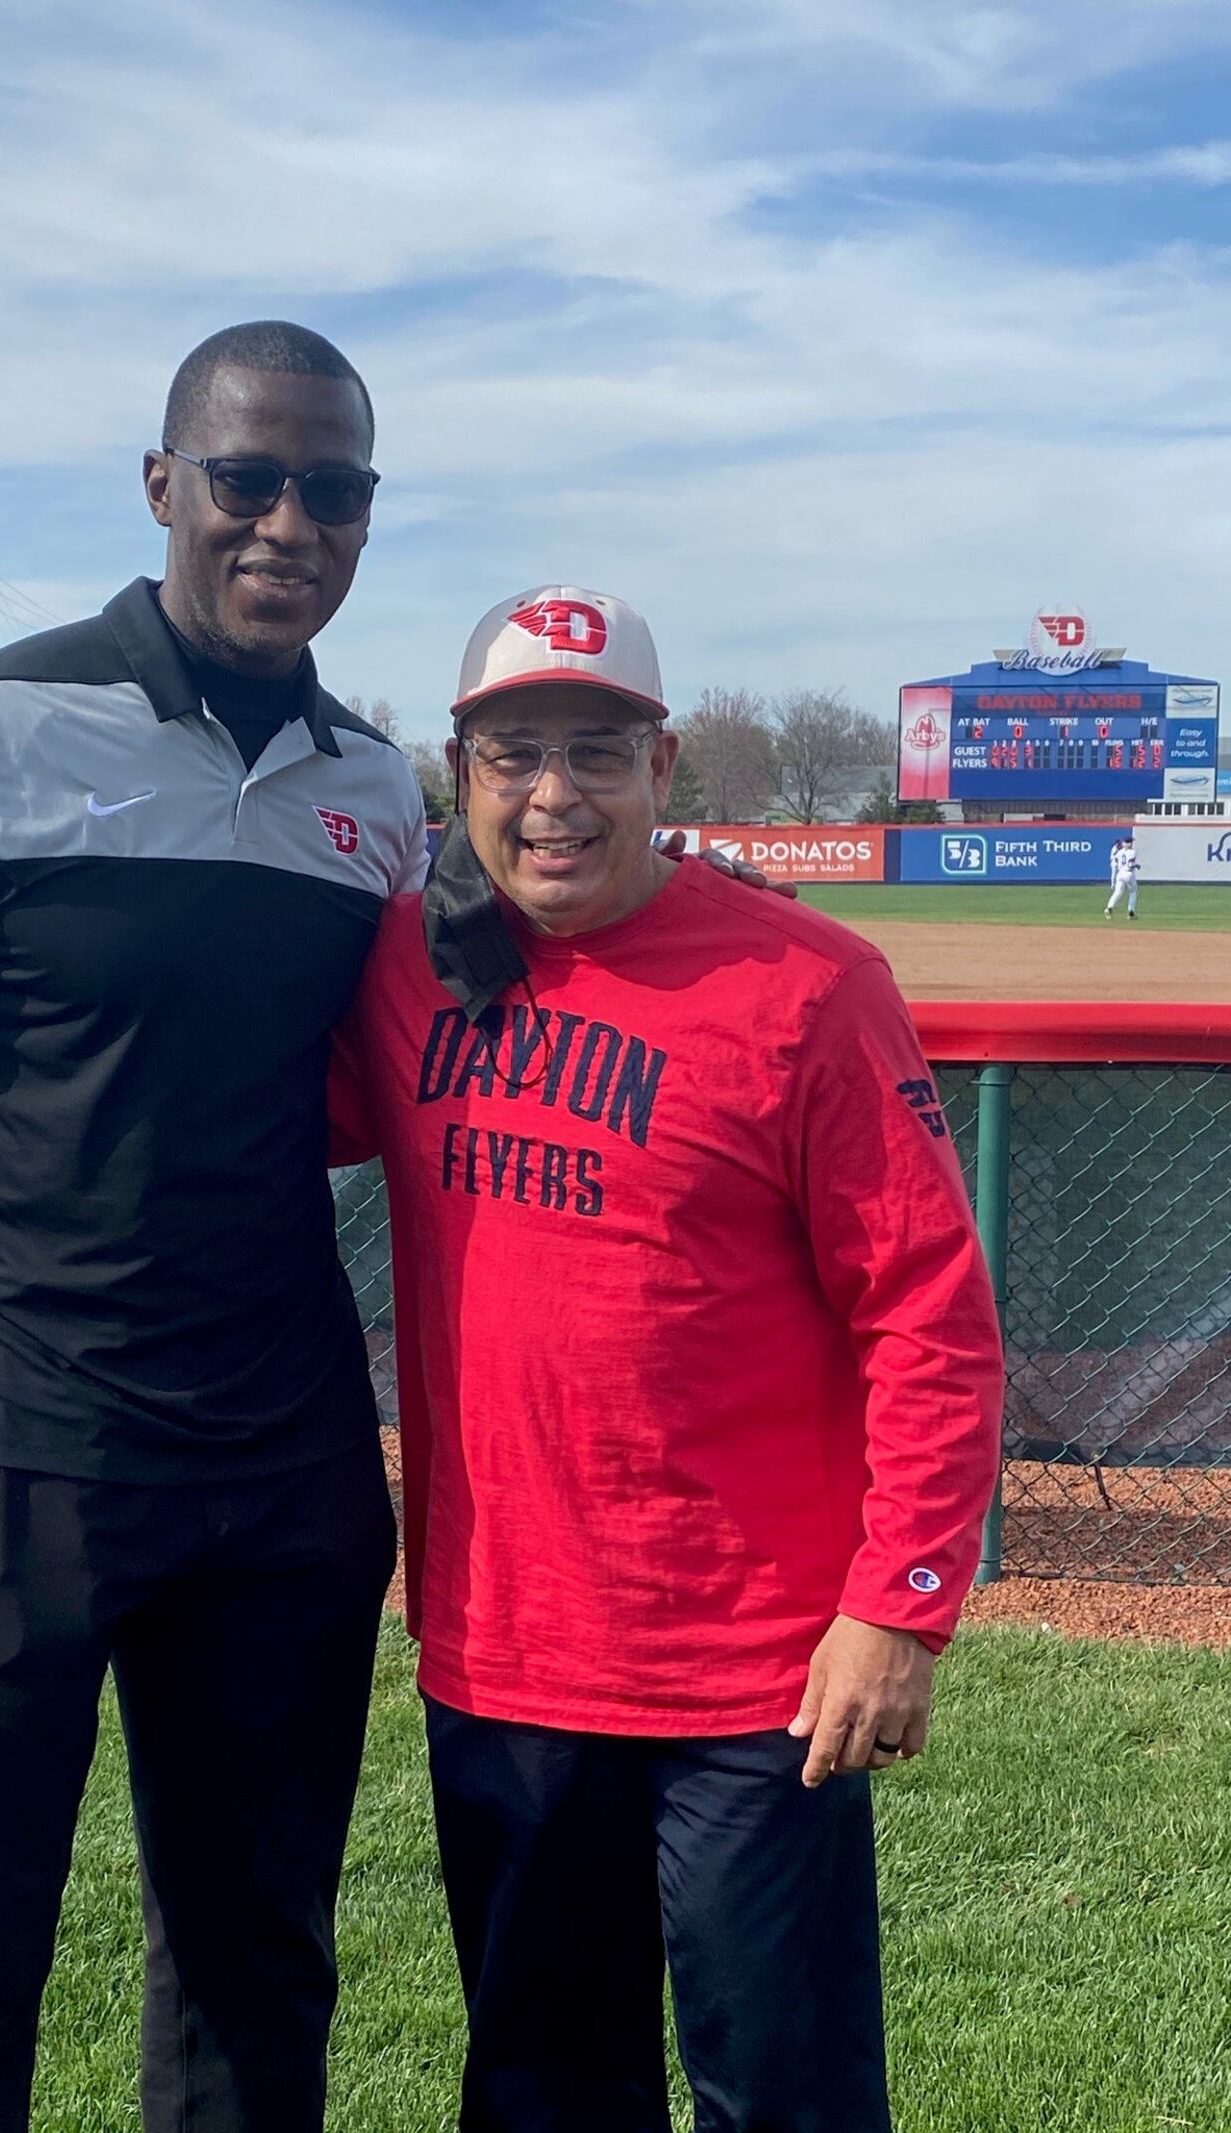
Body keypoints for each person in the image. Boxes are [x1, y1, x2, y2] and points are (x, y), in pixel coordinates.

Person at [0, 321, 430, 2133]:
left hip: (281, 1472)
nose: (291, 518)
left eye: (337, 488)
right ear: (165, 488)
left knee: (257, 1964)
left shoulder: (381, 793)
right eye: (250, 476)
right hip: (7, 1451)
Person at [330, 585, 1005, 2132]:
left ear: (663, 765)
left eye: (595, 751)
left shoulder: (810, 986)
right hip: (503, 1648)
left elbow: (931, 1315)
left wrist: (898, 1608)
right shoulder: (404, 965)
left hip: (757, 1675)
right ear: (459, 772)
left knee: (784, 2095)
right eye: (512, 755)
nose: (553, 794)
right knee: (543, 2091)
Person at [1106, 832, 1140, 919]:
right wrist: (1136, 865)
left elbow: (1116, 861)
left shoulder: (1120, 852)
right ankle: (1131, 912)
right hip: (1128, 873)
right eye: (1131, 842)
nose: (1132, 843)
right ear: (1128, 844)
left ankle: (1109, 908)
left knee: (1118, 892)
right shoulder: (1132, 852)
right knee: (1133, 892)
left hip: (1120, 873)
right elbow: (1130, 865)